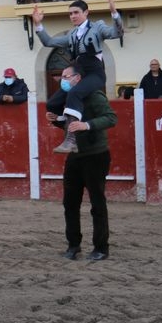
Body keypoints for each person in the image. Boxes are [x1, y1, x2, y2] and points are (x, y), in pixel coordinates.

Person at [32, 0, 123, 153]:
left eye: (76, 13)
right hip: (78, 74)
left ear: (86, 13)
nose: (72, 16)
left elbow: (117, 33)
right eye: (70, 13)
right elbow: (48, 42)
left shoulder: (98, 27)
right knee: (52, 104)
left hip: (94, 73)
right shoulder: (72, 34)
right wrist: (38, 25)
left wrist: (114, 13)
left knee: (74, 94)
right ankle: (69, 130)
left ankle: (71, 140)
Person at [47, 65, 117, 262]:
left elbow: (111, 118)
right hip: (75, 154)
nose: (63, 80)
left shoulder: (94, 96)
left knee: (97, 203)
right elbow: (69, 126)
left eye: (66, 76)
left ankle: (101, 247)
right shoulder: (69, 98)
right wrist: (57, 120)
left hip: (96, 154)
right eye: (61, 77)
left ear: (78, 78)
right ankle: (73, 245)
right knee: (70, 202)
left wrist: (87, 125)